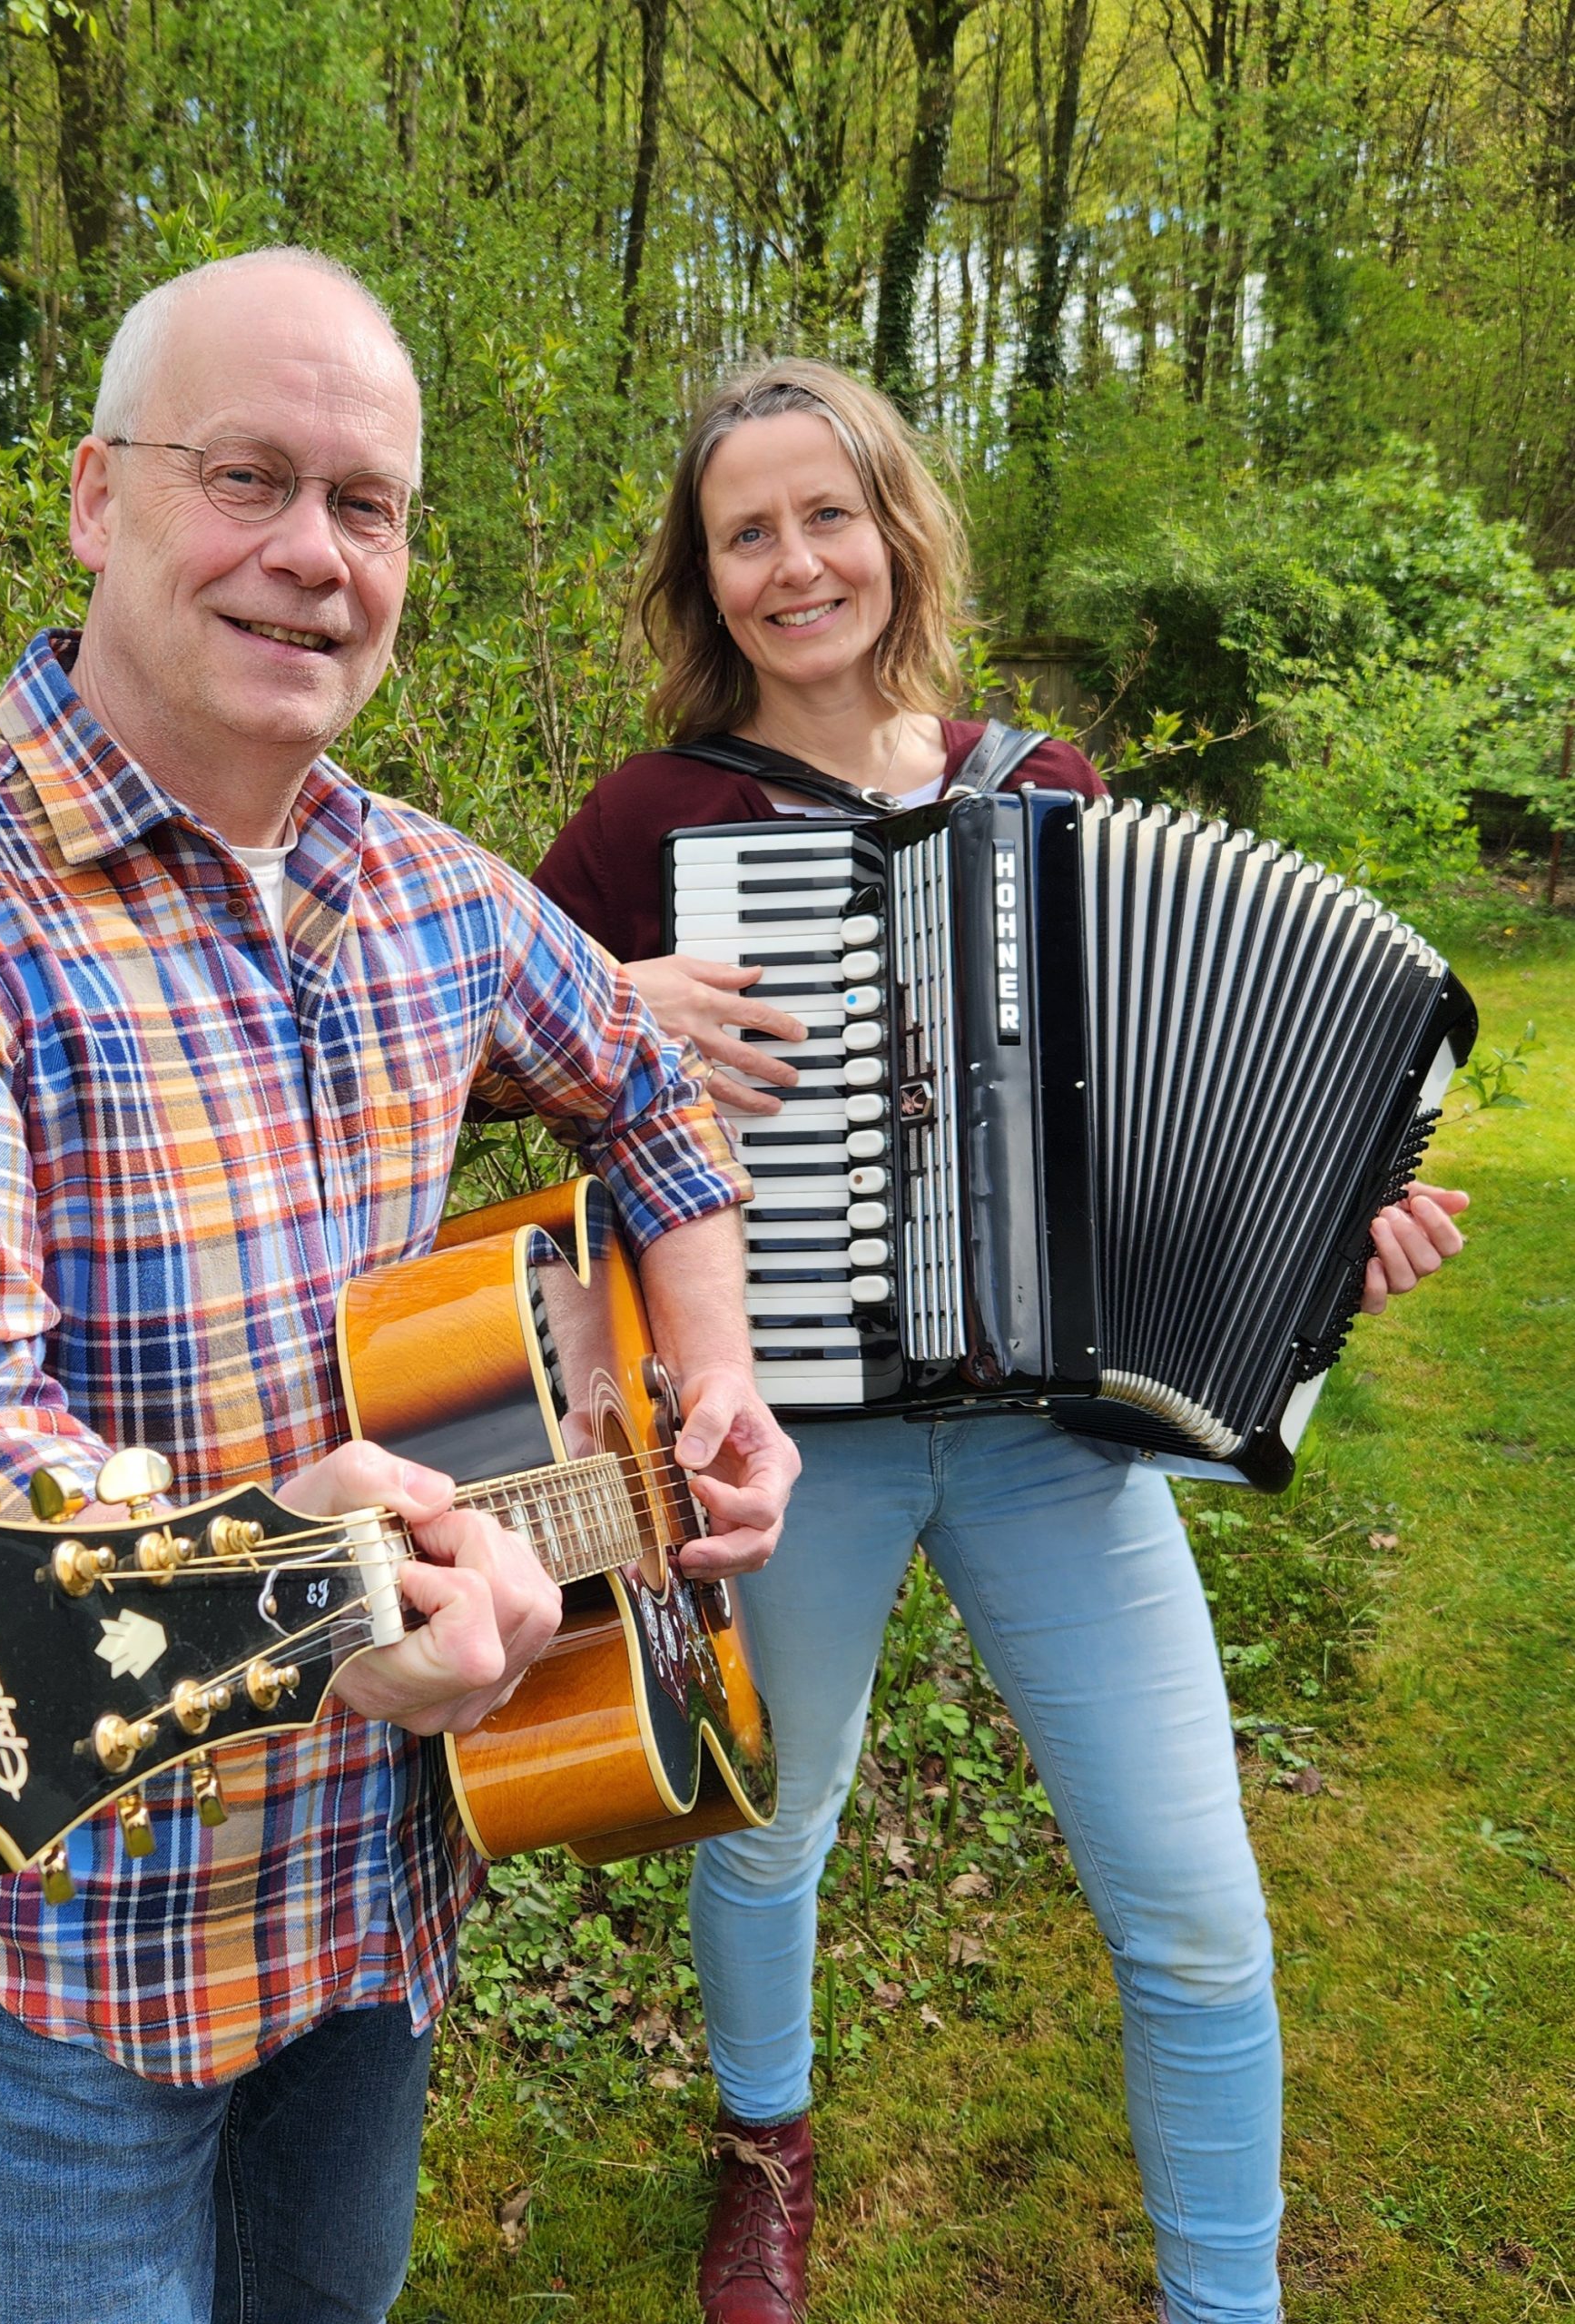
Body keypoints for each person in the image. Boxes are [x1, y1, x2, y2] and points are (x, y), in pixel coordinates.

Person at [0, 251, 798, 2324]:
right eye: (247, 476)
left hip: (383, 1890)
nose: (312, 555)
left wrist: (719, 1383)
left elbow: (655, 1101)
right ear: (93, 496)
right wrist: (297, 1593)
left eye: (366, 504)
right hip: (75, 1941)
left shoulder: (431, 892)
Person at [531, 355, 1469, 2324]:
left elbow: (1147, 1115)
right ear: (707, 580)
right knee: (772, 1824)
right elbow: (466, 1053)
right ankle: (764, 2143)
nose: (796, 563)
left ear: (896, 526)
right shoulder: (650, 817)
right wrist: (613, 996)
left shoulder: (1040, 788)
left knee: (1198, 1908)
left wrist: (1325, 1233)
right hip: (790, 1432)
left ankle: (1230, 2298)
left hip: (1057, 1436)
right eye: (747, 532)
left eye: (827, 514)